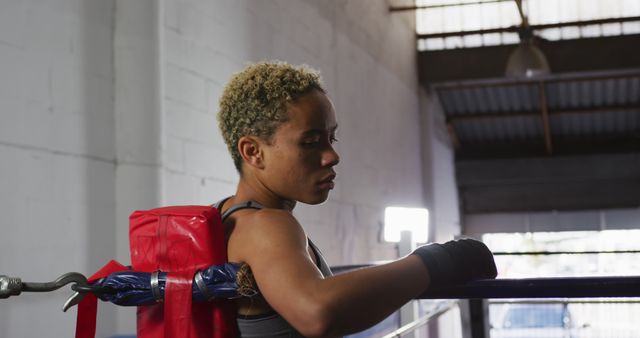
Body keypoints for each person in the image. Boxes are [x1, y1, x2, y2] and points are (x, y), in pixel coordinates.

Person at [215, 61, 497, 338]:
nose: (331, 156)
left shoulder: (227, 214)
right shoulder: (266, 224)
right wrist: (438, 261)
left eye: (331, 139)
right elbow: (318, 313)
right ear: (253, 151)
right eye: (311, 142)